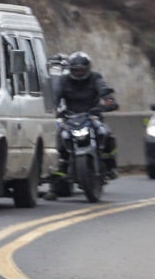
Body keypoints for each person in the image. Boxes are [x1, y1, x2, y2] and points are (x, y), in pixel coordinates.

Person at [50, 51, 119, 183]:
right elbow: (55, 97)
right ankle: (58, 177)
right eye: (76, 70)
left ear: (87, 69)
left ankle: (110, 166)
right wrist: (55, 110)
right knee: (60, 139)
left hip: (92, 117)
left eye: (81, 70)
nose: (79, 73)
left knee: (105, 133)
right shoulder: (63, 81)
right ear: (70, 70)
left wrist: (108, 101)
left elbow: (104, 90)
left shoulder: (95, 78)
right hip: (70, 118)